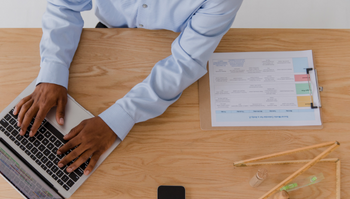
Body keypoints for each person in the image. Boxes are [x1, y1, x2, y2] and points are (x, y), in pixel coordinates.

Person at [14, 0, 243, 176]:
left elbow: (185, 63)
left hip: (173, 43)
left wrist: (117, 119)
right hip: (107, 40)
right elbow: (64, 5)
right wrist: (53, 71)